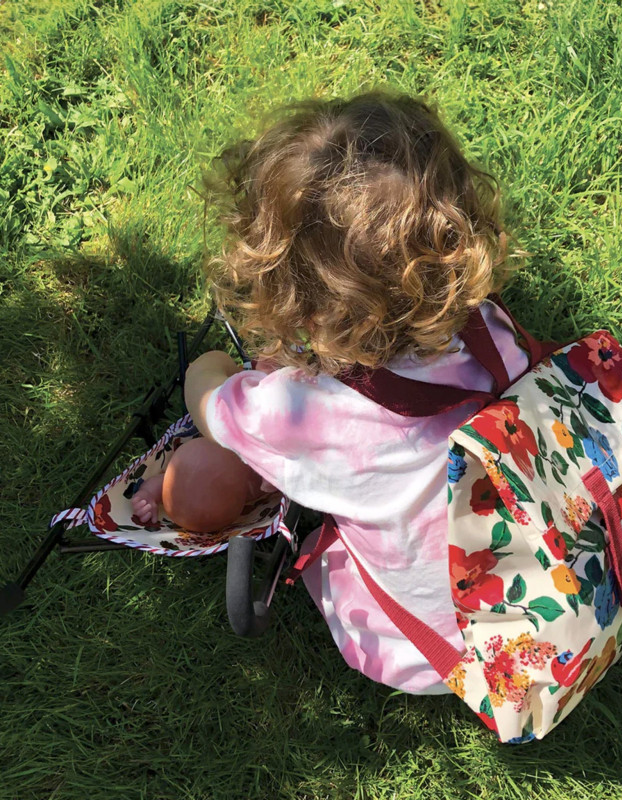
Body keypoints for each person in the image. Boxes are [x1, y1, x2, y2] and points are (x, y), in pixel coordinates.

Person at [134, 91, 538, 694]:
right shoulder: (490, 331)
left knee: (304, 527)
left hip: (437, 657)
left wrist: (215, 365)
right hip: (555, 586)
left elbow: (209, 400)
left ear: (290, 295)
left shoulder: (299, 413)